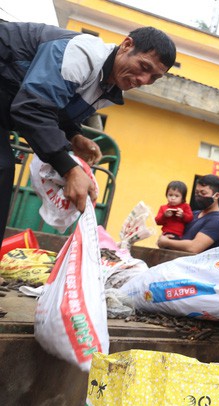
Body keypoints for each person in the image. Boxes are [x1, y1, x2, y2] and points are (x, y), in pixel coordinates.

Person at [0, 22, 176, 242]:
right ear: (126, 45)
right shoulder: (83, 54)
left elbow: (56, 109)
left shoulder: (108, 87)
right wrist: (70, 169)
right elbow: (32, 107)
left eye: (154, 78)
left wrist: (74, 136)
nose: (143, 80)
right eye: (144, 66)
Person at [157, 174, 219, 253]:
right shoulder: (193, 214)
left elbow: (193, 248)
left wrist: (166, 242)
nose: (198, 196)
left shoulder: (217, 221)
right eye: (197, 193)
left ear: (216, 196)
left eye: (203, 193)